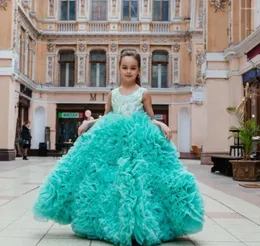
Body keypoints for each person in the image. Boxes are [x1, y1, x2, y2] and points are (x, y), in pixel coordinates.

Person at [33, 50, 204, 246]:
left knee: (139, 183)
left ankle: (140, 224)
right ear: (119, 69)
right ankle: (110, 222)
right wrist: (89, 124)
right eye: (125, 67)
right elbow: (106, 117)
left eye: (133, 68)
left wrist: (162, 124)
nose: (128, 71)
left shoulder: (144, 93)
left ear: (139, 70)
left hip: (138, 143)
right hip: (113, 143)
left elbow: (150, 118)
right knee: (108, 182)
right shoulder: (112, 94)